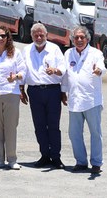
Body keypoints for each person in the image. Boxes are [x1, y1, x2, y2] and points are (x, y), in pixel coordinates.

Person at [20, 23, 67, 169]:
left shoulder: (54, 49)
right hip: (34, 91)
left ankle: (56, 157)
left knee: (53, 125)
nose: (39, 37)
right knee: (39, 125)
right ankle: (45, 155)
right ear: (31, 35)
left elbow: (64, 69)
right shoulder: (26, 50)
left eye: (41, 35)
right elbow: (22, 70)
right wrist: (21, 89)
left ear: (46, 35)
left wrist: (56, 71)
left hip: (53, 91)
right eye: (36, 35)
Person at [0, 26, 26, 170]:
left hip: (10, 93)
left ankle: (12, 159)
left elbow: (23, 72)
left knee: (11, 127)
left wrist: (15, 77)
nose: (0, 39)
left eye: (3, 36)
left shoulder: (15, 53)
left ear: (8, 37)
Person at [64, 26, 105, 174]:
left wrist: (98, 70)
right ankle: (81, 162)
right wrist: (63, 92)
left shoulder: (96, 53)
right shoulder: (68, 53)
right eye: (76, 38)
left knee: (95, 133)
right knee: (74, 133)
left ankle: (96, 163)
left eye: (82, 37)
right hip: (74, 100)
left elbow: (101, 66)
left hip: (91, 100)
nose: (79, 40)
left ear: (87, 39)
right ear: (73, 40)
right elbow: (65, 75)